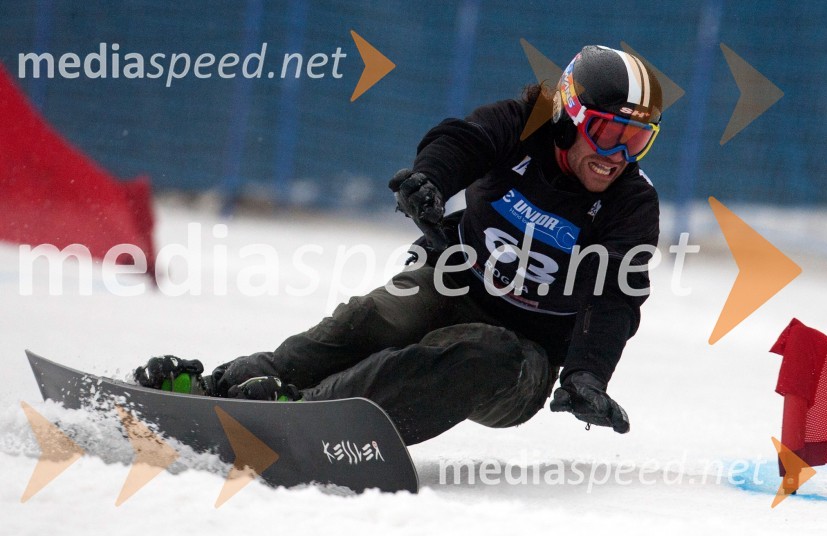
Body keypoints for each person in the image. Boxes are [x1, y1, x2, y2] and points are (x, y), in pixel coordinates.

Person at [135, 45, 663, 446]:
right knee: (376, 319)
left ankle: (304, 415)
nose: (618, 155)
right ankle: (220, 389)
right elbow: (463, 139)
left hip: (527, 359)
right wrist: (429, 179)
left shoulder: (631, 203)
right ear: (567, 116)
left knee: (485, 351)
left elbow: (616, 296)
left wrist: (587, 375)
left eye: (637, 140)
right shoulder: (523, 126)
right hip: (454, 280)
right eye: (607, 132)